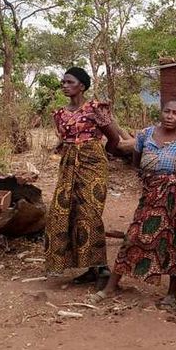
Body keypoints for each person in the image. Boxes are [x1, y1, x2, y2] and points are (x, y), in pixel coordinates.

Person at [101, 100, 176, 304]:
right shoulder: (145, 134)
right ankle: (112, 286)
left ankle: (171, 293)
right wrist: (143, 176)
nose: (170, 116)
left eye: (175, 113)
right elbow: (136, 159)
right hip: (151, 194)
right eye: (167, 111)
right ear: (160, 112)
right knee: (134, 235)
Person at [46, 67, 121, 285]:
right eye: (63, 82)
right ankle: (88, 267)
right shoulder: (59, 114)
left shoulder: (96, 108)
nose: (65, 86)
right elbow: (63, 140)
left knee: (89, 213)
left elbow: (114, 138)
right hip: (68, 165)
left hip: (93, 165)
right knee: (63, 213)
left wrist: (101, 155)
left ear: (82, 86)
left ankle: (102, 268)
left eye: (69, 82)